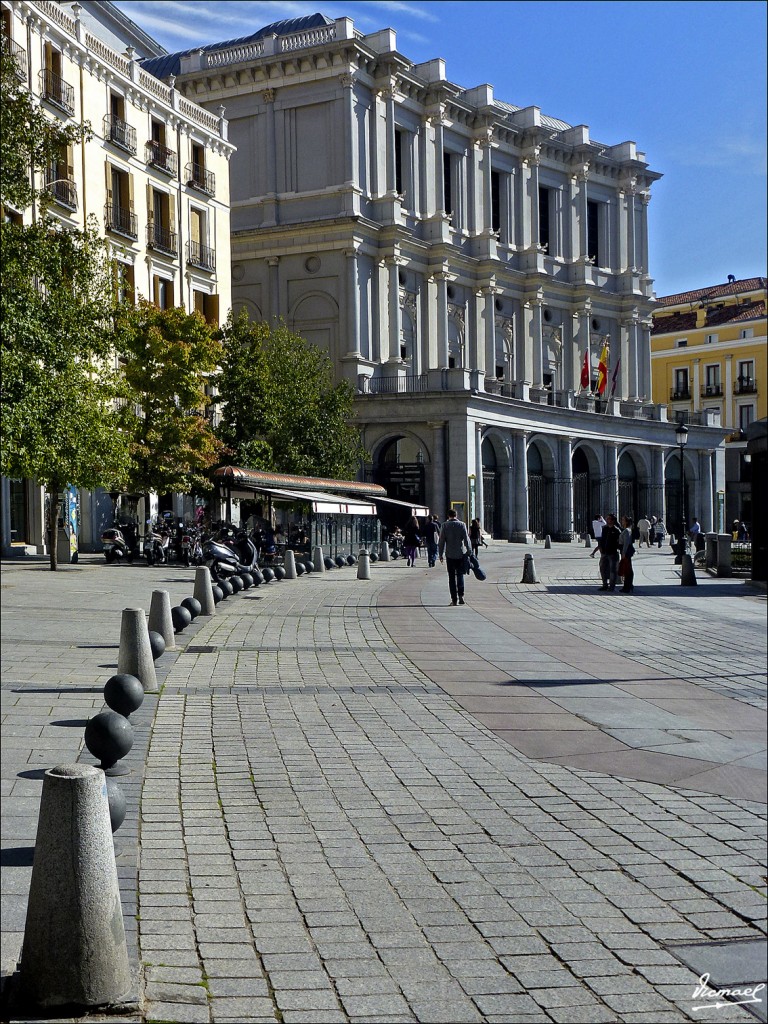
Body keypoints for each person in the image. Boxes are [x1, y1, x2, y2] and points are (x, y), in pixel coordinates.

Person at [438, 509, 471, 606]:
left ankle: (454, 599)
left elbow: (441, 541)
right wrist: (469, 551)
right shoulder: (462, 525)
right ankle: (461, 596)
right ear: (456, 515)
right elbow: (466, 539)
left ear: (448, 516)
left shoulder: (444, 525)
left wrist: (440, 554)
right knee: (460, 575)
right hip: (460, 554)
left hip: (449, 555)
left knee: (451, 577)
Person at [599, 513, 622, 591]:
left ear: (612, 520)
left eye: (609, 519)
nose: (607, 520)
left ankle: (611, 586)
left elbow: (619, 542)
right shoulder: (604, 529)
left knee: (612, 570)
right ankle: (604, 584)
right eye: (607, 518)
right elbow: (601, 539)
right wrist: (600, 547)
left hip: (612, 553)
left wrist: (615, 548)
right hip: (604, 552)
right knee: (602, 568)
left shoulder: (616, 530)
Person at [619, 514, 636, 593]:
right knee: (627, 568)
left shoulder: (627, 531)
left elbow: (626, 543)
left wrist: (623, 553)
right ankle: (628, 585)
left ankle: (628, 586)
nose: (621, 521)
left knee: (627, 569)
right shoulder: (627, 530)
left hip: (626, 551)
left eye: (623, 520)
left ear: (626, 522)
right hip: (625, 550)